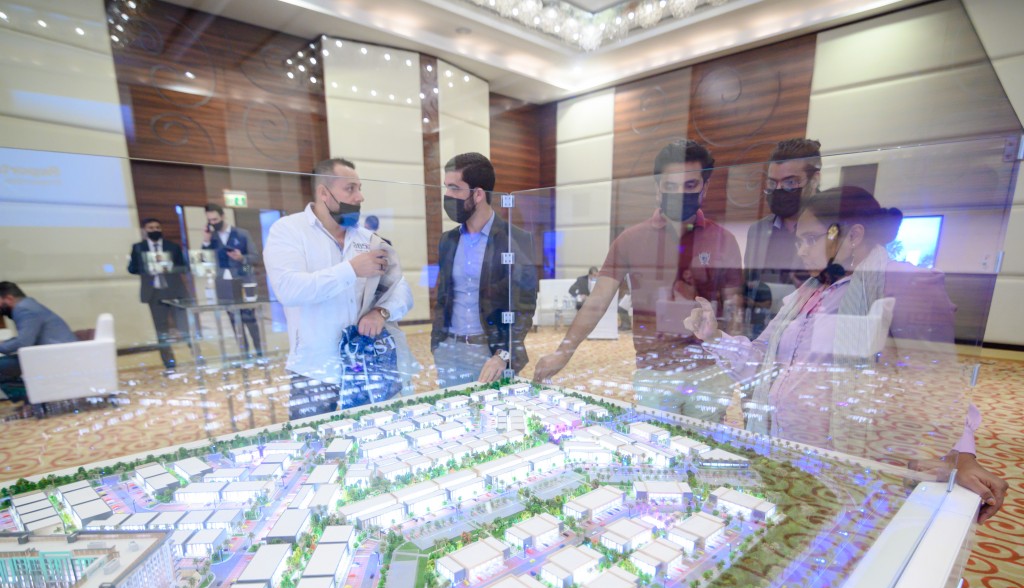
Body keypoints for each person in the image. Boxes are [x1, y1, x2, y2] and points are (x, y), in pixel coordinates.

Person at [684, 186, 1008, 521]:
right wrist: (714, 337)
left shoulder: (901, 281)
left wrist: (962, 456)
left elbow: (935, 381)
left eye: (811, 239)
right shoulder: (809, 292)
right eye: (798, 241)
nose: (801, 251)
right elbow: (763, 362)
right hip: (785, 451)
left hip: (854, 463)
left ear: (853, 235)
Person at [533, 139, 743, 422]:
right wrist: (563, 352)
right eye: (670, 186)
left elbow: (734, 306)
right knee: (655, 441)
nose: (680, 193)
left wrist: (736, 362)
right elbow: (597, 301)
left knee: (704, 443)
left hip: (710, 371)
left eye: (690, 185)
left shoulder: (724, 240)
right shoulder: (630, 240)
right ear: (658, 189)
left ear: (704, 187)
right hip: (655, 371)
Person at [264, 157, 412, 419]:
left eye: (360, 188)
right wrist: (351, 270)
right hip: (315, 371)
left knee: (370, 434)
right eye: (350, 189)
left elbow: (400, 287)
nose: (360, 197)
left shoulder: (368, 239)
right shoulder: (288, 231)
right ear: (324, 193)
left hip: (366, 367)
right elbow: (288, 289)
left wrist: (381, 312)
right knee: (311, 438)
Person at [432, 152, 538, 387]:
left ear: (478, 194)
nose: (447, 195)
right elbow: (443, 296)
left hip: (490, 354)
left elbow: (524, 306)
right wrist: (437, 344)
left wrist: (504, 354)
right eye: (446, 187)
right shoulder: (448, 240)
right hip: (449, 351)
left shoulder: (515, 240)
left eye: (454, 188)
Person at [743, 139, 822, 335]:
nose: (779, 190)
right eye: (773, 183)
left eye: (790, 182)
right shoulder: (757, 231)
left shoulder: (829, 229)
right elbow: (750, 288)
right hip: (760, 332)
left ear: (814, 180)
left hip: (807, 333)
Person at [0, 282, 77, 411]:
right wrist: (6, 343)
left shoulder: (24, 309)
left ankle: (31, 400)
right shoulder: (28, 305)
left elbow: (23, 342)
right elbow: (27, 338)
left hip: (54, 356)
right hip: (53, 353)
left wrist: (2, 347)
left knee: (2, 366)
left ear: (9, 298)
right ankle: (32, 399)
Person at [127, 217, 190, 372]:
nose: (154, 230)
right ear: (145, 230)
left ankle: (198, 357)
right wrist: (147, 268)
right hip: (154, 292)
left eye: (157, 227)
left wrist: (169, 267)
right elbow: (132, 269)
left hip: (174, 290)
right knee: (161, 330)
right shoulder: (138, 248)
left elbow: (184, 267)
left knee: (185, 326)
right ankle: (169, 364)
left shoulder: (172, 246)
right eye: (151, 228)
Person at [201, 203, 263, 358]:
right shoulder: (211, 237)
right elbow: (205, 260)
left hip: (244, 280)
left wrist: (242, 258)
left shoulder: (242, 233)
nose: (213, 223)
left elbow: (255, 257)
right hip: (223, 283)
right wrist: (206, 242)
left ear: (223, 216)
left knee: (250, 319)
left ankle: (260, 352)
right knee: (234, 320)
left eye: (215, 219)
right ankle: (244, 354)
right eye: (210, 220)